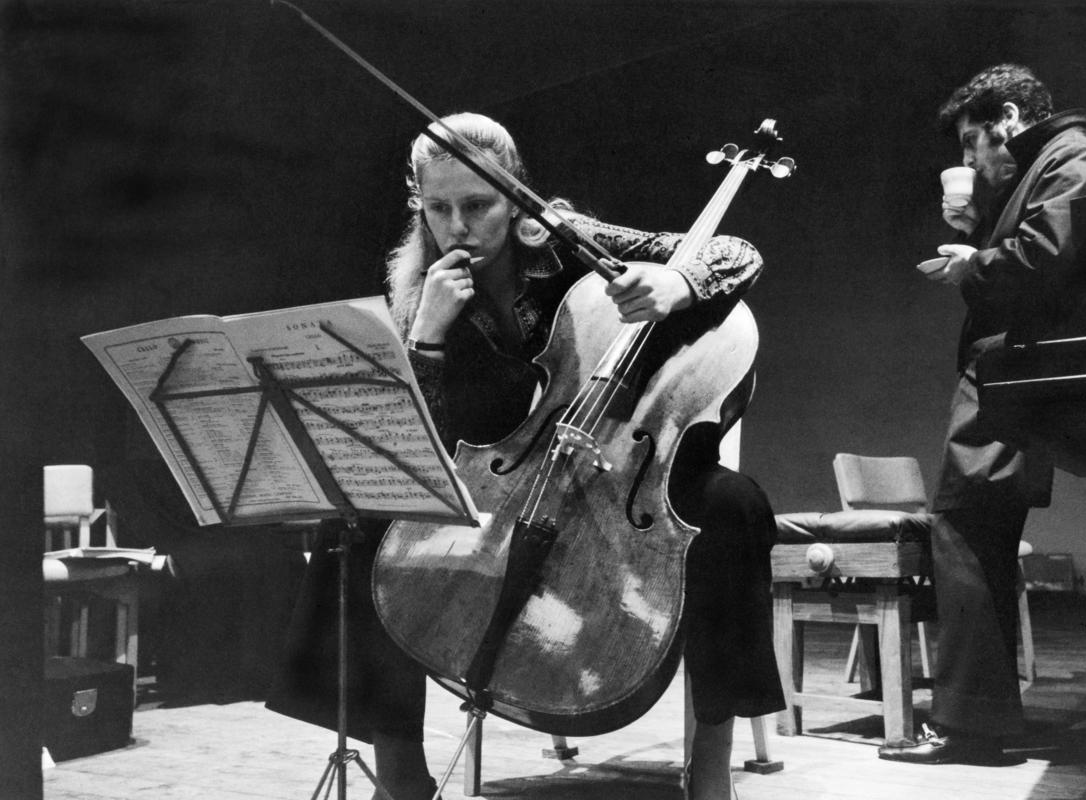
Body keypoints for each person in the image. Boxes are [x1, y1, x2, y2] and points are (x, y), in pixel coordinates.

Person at [268, 112, 786, 800]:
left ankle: (711, 767)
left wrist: (676, 285)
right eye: (438, 208)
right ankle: (399, 770)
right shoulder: (417, 282)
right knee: (363, 515)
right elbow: (419, 434)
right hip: (499, 483)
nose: (457, 226)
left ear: (515, 198)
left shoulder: (569, 240)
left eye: (477, 205)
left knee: (735, 506)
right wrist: (424, 336)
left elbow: (734, 251)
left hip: (619, 463)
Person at [878, 65, 1086, 765]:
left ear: (1007, 118)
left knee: (959, 528)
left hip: (1013, 378)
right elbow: (1034, 253)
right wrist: (978, 228)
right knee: (975, 537)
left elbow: (1047, 259)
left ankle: (967, 729)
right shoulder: (1050, 166)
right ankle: (985, 721)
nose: (966, 161)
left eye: (968, 144)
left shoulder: (1073, 158)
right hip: (1011, 374)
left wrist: (972, 261)